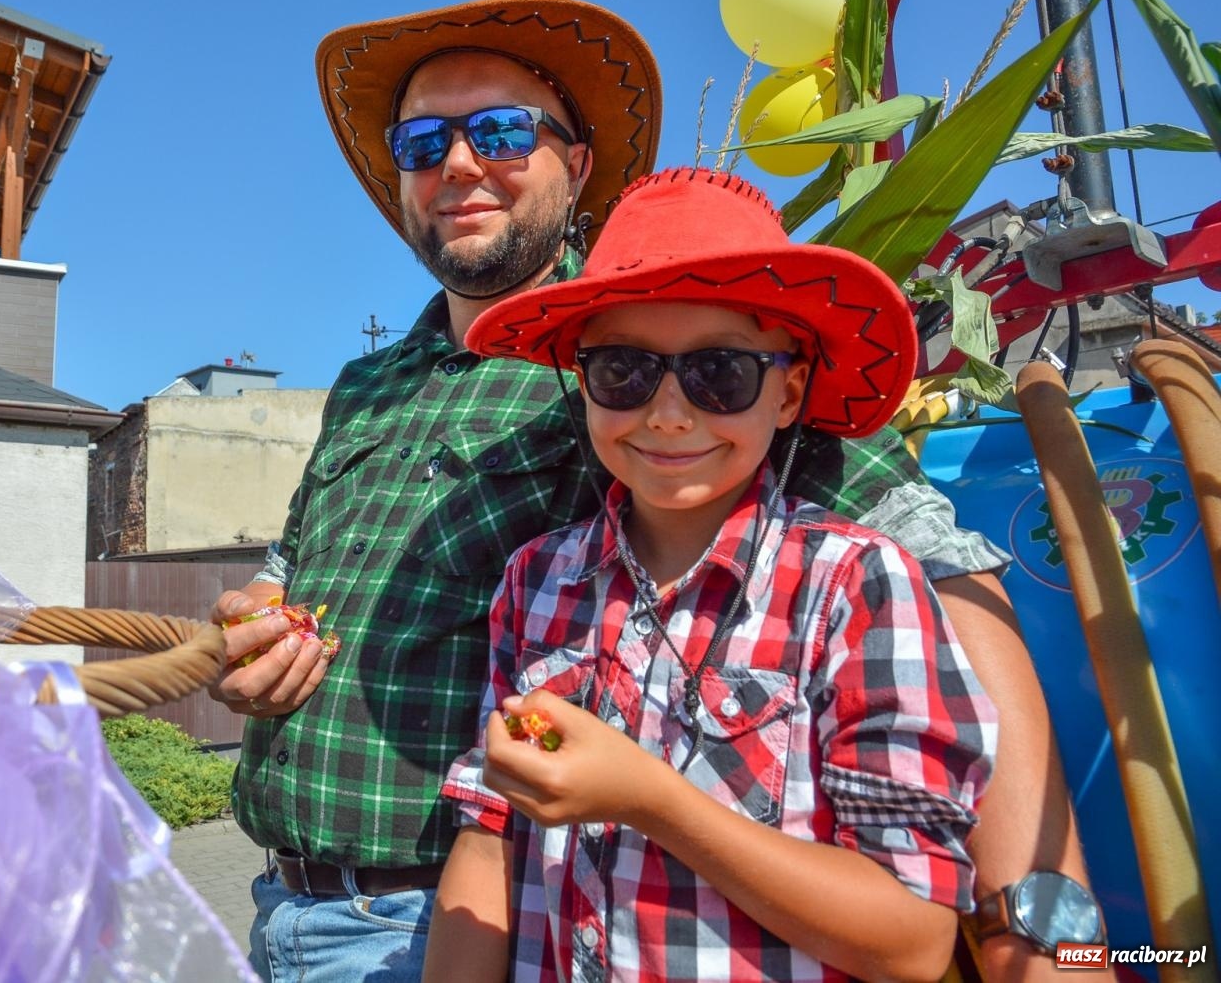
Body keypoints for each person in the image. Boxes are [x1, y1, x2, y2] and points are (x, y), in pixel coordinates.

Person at [209, 0, 1102, 982]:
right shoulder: (372, 384)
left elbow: (938, 573)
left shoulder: (677, 320)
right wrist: (258, 619)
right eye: (423, 141)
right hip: (281, 906)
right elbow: (295, 573)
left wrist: (1042, 925)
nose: (459, 163)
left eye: (501, 130)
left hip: (472, 920)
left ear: (578, 166)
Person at [427, 166, 996, 982]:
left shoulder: (856, 586)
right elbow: (488, 840)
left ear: (790, 389)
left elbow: (910, 937)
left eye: (719, 372)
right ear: (582, 381)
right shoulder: (537, 580)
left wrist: (650, 800)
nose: (667, 412)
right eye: (623, 370)